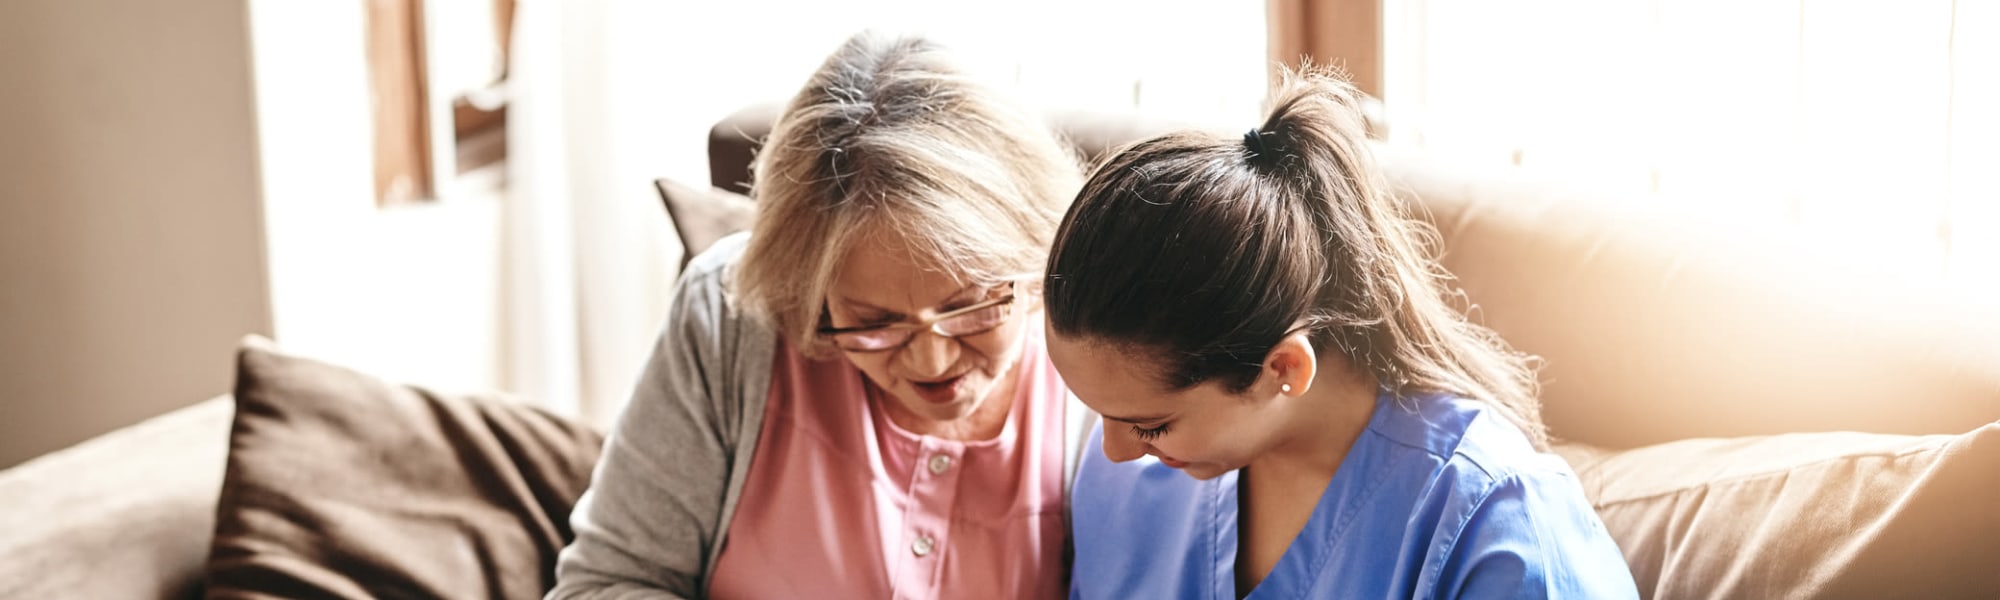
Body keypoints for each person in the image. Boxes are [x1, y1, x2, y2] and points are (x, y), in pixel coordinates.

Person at [1044, 68, 1640, 599]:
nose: (1112, 453)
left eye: (1150, 423)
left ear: (1282, 369)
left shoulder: (1497, 526)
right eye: (1099, 413)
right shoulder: (1128, 487)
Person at [549, 31, 1093, 599]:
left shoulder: (1098, 361)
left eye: (970, 307)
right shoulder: (729, 317)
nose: (932, 358)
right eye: (875, 321)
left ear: (1038, 259)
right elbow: (604, 583)